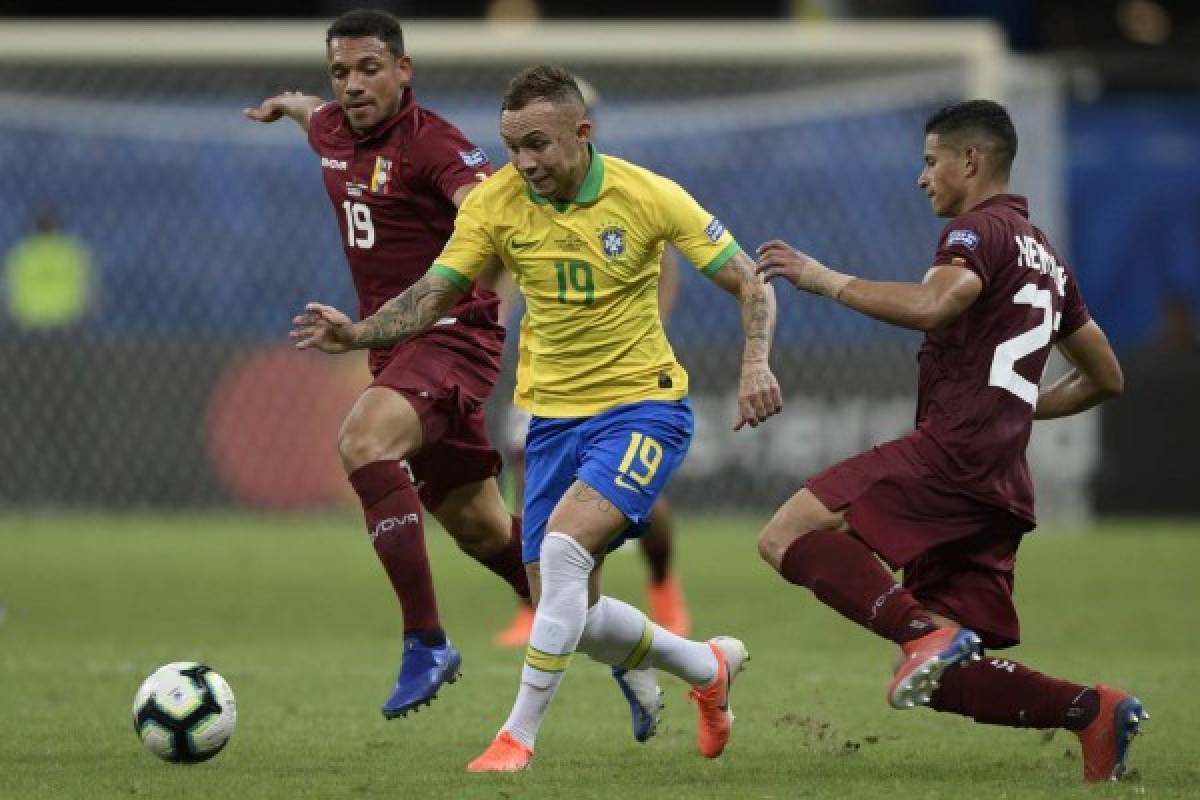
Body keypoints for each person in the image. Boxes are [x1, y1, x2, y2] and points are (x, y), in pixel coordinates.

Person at [290, 65, 783, 772]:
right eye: (513, 145)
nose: (523, 162)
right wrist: (358, 334)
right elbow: (433, 295)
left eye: (539, 145)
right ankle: (706, 668)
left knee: (559, 552)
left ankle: (516, 737)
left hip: (643, 408)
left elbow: (746, 278)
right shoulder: (496, 202)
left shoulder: (647, 194)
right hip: (552, 422)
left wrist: (755, 361)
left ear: (582, 135)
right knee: (568, 608)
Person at [754, 99, 1147, 784]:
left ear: (971, 161)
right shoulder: (1047, 257)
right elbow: (1105, 376)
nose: (921, 176)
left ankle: (919, 633)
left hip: (953, 453)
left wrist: (823, 279)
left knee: (786, 534)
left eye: (931, 160)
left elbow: (937, 304)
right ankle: (1094, 711)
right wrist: (1016, 406)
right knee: (950, 681)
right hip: (999, 479)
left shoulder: (977, 232)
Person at [244, 8, 531, 720]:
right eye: (340, 72)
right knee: (483, 531)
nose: (352, 85)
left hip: (453, 338)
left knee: (363, 441)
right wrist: (289, 106)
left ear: (404, 71)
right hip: (397, 350)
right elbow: (317, 118)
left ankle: (426, 641)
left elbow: (492, 214)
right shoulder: (333, 129)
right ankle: (637, 644)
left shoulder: (435, 146)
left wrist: (490, 281)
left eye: (369, 68)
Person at [493, 75, 691, 648]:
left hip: (621, 375)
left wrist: (645, 330)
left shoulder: (628, 193)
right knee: (530, 480)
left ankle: (661, 585)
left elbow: (665, 265)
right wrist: (495, 318)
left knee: (636, 500)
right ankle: (542, 608)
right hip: (549, 370)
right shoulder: (516, 197)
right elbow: (502, 265)